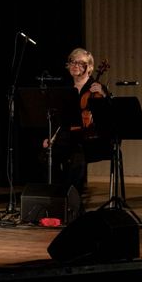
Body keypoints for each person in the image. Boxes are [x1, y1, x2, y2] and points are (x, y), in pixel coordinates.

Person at [41, 47, 112, 194]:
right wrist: (50, 136)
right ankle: (60, 192)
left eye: (81, 63)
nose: (75, 65)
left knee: (77, 154)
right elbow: (56, 117)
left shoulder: (98, 89)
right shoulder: (65, 89)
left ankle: (71, 195)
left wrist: (104, 94)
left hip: (92, 139)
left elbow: (110, 114)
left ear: (90, 68)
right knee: (46, 156)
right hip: (69, 136)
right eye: (73, 62)